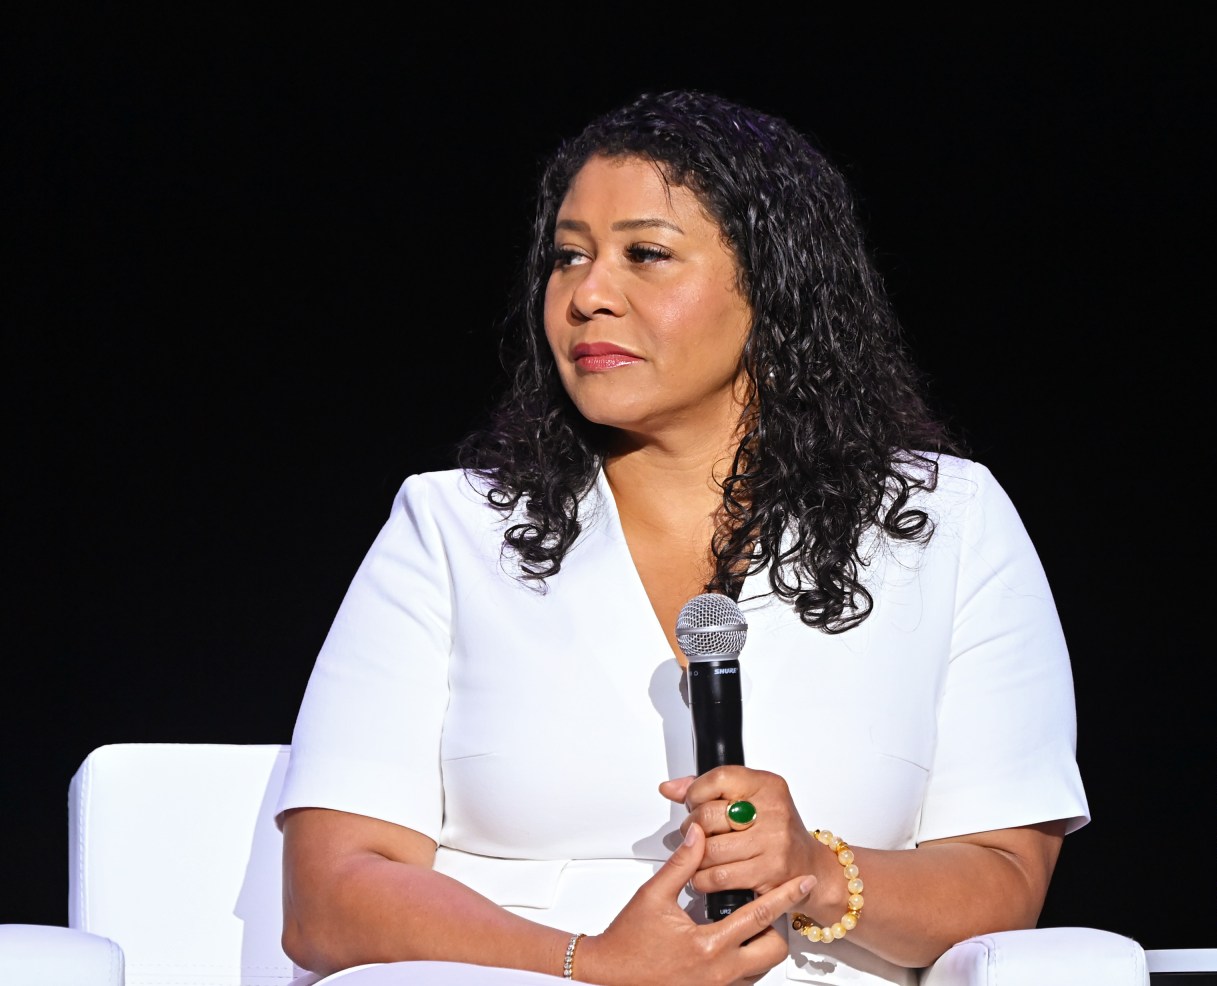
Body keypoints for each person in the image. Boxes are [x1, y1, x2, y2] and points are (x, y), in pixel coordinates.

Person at [275, 89, 1089, 986]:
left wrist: (817, 873)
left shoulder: (944, 521)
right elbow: (329, 893)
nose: (588, 296)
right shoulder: (454, 524)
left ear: (774, 287)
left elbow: (1005, 877)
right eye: (569, 258)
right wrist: (595, 963)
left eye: (646, 256)